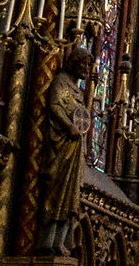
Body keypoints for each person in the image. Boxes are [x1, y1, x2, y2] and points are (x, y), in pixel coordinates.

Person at [33, 44, 95, 254]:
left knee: (71, 197)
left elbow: (82, 118)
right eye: (84, 64)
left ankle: (61, 240)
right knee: (57, 192)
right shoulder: (61, 82)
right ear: (74, 62)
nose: (87, 69)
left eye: (88, 65)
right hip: (61, 147)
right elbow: (55, 106)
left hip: (75, 150)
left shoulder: (78, 90)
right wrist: (69, 127)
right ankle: (48, 240)